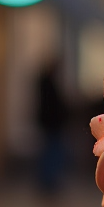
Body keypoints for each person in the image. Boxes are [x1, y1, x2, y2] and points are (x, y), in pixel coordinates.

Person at [35, 61, 68, 193]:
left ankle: (48, 180)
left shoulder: (44, 84)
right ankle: (48, 181)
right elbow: (53, 106)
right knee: (51, 152)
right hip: (52, 124)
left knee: (49, 151)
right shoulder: (49, 85)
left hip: (49, 123)